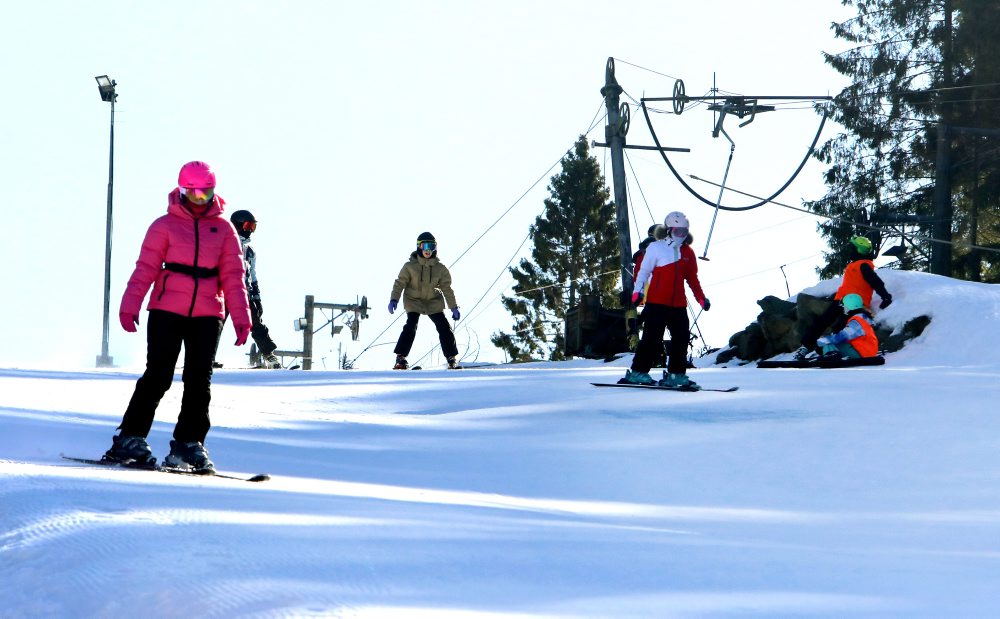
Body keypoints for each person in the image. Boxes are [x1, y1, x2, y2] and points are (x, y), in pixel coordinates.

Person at [103, 161, 252, 474]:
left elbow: (234, 276)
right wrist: (129, 305)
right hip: (167, 309)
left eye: (206, 193)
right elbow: (145, 268)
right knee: (158, 373)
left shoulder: (224, 229)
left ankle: (189, 443)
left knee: (199, 380)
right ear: (182, 191)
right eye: (194, 193)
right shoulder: (164, 226)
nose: (201, 199)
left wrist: (241, 317)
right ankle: (130, 438)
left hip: (209, 311)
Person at [621, 211, 710, 389]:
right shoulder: (656, 248)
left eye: (685, 232)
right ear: (669, 230)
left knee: (681, 338)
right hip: (657, 303)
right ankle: (638, 372)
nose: (681, 236)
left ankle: (676, 375)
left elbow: (692, 279)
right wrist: (637, 292)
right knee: (652, 338)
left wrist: (701, 298)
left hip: (678, 305)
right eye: (678, 232)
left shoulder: (688, 253)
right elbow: (643, 272)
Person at [795, 235, 892, 360]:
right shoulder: (856, 265)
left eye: (853, 248)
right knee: (822, 322)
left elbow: (876, 282)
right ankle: (809, 347)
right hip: (841, 301)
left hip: (855, 305)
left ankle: (834, 350)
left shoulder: (863, 266)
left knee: (841, 328)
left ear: (859, 251)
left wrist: (886, 297)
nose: (850, 251)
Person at [389, 232, 461, 369]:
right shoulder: (409, 266)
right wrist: (394, 299)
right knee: (411, 325)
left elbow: (447, 288)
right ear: (419, 247)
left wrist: (454, 307)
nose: (428, 250)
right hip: (413, 300)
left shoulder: (440, 269)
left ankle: (451, 357)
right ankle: (400, 357)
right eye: (425, 246)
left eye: (432, 246)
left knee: (444, 327)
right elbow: (400, 283)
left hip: (432, 301)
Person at [230, 210, 281, 369]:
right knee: (213, 323)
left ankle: (268, 354)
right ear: (238, 226)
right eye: (248, 225)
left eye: (253, 226)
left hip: (244, 292)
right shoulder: (227, 242)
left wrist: (256, 297)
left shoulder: (250, 249)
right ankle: (205, 356)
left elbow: (252, 274)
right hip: (224, 289)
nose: (250, 230)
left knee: (255, 322)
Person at [815, 293, 879, 359]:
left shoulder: (857, 321)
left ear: (849, 307)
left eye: (844, 306)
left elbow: (843, 336)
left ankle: (831, 355)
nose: (843, 308)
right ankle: (830, 354)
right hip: (867, 351)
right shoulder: (863, 318)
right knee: (831, 342)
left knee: (828, 343)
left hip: (863, 353)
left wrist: (822, 341)